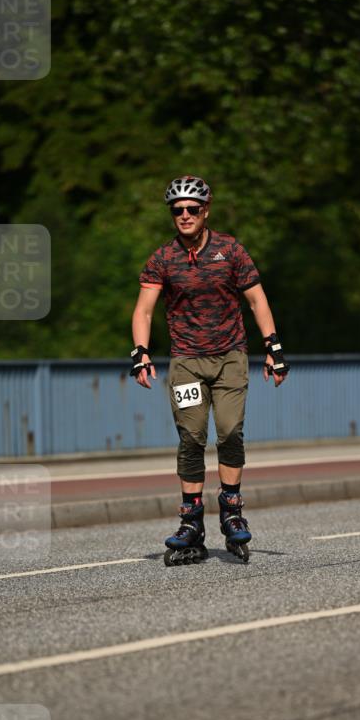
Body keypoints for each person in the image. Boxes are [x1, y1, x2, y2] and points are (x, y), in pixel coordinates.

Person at [130, 175, 289, 565]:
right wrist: (141, 353)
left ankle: (232, 511)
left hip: (230, 357)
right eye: (177, 210)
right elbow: (144, 310)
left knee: (231, 431)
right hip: (186, 362)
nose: (184, 215)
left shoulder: (230, 249)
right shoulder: (162, 258)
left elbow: (256, 300)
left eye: (192, 209)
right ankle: (191, 522)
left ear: (206, 210)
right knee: (192, 437)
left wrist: (274, 347)